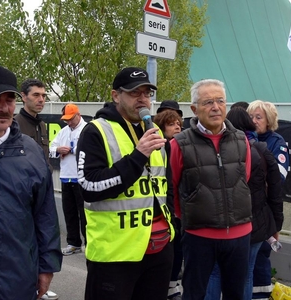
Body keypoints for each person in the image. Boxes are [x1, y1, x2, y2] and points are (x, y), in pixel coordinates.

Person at [76, 66, 175, 300]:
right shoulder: (96, 131)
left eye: (147, 93)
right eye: (134, 93)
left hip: (158, 250)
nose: (142, 99)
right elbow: (89, 187)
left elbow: (166, 182)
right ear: (115, 96)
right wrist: (138, 156)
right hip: (114, 254)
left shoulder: (155, 131)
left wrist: (172, 225)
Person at [0, 64, 62, 299]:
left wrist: (47, 267)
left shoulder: (30, 153)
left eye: (9, 100)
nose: (4, 108)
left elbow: (46, 215)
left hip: (16, 280)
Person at [170, 79, 253, 300]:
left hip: (239, 233)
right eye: (208, 102)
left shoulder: (240, 139)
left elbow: (244, 178)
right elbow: (172, 189)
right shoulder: (179, 143)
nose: (215, 107)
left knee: (236, 294)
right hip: (198, 235)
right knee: (195, 293)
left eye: (220, 101)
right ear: (194, 109)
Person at [205, 107, 283, 300]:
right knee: (247, 273)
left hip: (220, 223)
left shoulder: (216, 151)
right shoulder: (263, 151)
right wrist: (276, 225)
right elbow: (276, 190)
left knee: (214, 272)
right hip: (255, 223)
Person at [247, 100, 289, 299]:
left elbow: (278, 179)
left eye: (259, 117)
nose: (254, 121)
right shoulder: (244, 138)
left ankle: (262, 294)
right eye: (251, 116)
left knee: (262, 254)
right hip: (246, 209)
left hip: (265, 210)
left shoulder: (277, 142)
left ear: (269, 120)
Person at [50, 103, 87, 256]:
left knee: (85, 214)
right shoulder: (63, 131)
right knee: (69, 212)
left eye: (70, 119)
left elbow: (91, 149)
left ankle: (89, 243)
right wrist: (58, 150)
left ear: (78, 115)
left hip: (82, 178)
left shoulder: (87, 129)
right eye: (66, 119)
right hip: (66, 177)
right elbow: (51, 148)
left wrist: (72, 150)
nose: (68, 122)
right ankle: (73, 243)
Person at [154, 109, 184, 300]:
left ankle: (173, 287)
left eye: (179, 124)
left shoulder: (181, 146)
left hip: (179, 210)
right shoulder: (159, 147)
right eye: (172, 124)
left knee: (177, 251)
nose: (177, 127)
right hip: (162, 210)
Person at [14, 79, 53, 173]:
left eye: (43, 96)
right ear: (23, 96)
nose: (41, 100)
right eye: (36, 95)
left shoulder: (42, 125)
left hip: (43, 183)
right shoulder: (14, 125)